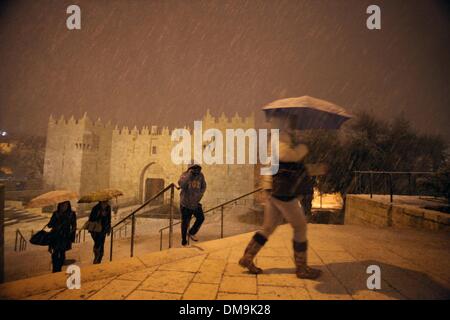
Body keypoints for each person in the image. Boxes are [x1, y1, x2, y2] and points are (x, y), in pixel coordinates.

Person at [239, 119, 322, 279]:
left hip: (274, 188)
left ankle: (247, 257)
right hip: (283, 191)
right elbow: (286, 155)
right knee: (300, 227)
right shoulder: (281, 137)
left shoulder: (277, 136)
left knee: (268, 227)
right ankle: (302, 268)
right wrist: (302, 149)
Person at [178, 164, 206, 246]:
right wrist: (189, 176)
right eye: (194, 168)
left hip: (195, 202)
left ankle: (191, 232)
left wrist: (199, 195)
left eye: (197, 168)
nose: (195, 170)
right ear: (190, 168)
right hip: (185, 203)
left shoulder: (201, 175)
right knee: (185, 222)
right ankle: (184, 240)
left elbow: (204, 186)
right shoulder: (185, 175)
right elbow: (182, 185)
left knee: (201, 218)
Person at [47, 201, 77, 273]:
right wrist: (54, 221)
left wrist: (72, 237)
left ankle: (58, 269)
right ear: (59, 205)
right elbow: (50, 225)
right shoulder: (56, 213)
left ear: (68, 205)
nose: (63, 206)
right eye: (62, 205)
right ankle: (55, 270)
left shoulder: (71, 214)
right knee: (55, 254)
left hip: (65, 237)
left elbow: (74, 226)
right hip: (55, 236)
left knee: (62, 254)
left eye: (65, 205)